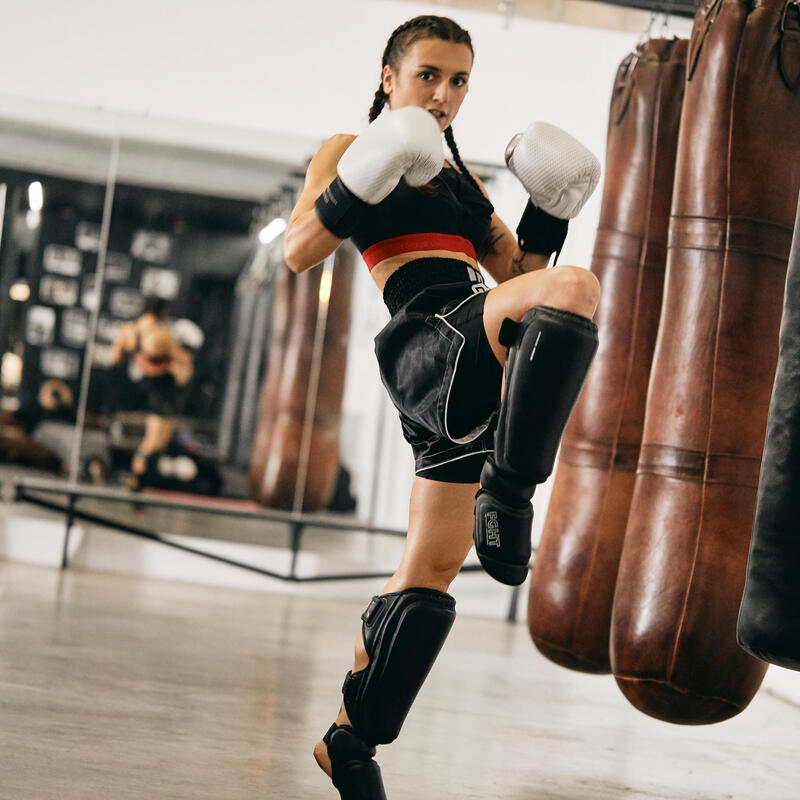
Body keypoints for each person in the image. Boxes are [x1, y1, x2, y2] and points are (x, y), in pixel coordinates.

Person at [284, 15, 601, 799]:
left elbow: (520, 273)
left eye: (459, 81)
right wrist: (368, 171)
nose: (444, 95)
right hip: (428, 342)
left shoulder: (460, 180)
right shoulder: (347, 150)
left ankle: (350, 740)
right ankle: (512, 489)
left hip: (470, 363)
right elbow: (297, 251)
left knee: (427, 580)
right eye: (428, 75)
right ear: (389, 77)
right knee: (581, 289)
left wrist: (549, 208)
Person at [111, 296, 193, 488]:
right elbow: (183, 370)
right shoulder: (162, 334)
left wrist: (141, 359)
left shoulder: (129, 330)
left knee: (160, 440)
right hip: (162, 389)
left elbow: (115, 358)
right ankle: (136, 479)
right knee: (154, 441)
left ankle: (143, 478)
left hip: (143, 386)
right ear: (162, 311)